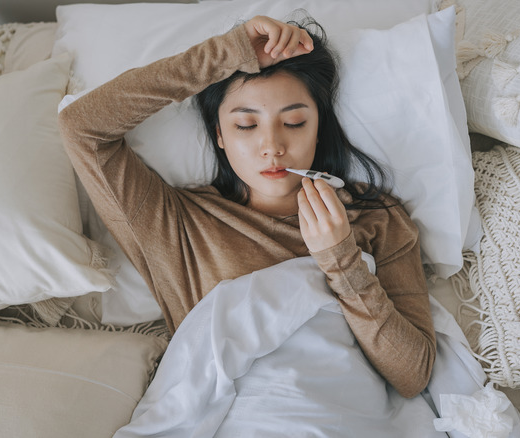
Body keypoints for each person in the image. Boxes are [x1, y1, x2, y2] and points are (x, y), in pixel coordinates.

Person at [58, 15, 435, 398]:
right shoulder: (178, 221)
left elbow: (412, 376)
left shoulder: (376, 216)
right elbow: (81, 128)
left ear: (318, 127)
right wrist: (226, 54)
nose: (272, 146)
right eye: (246, 126)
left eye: (294, 121)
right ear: (219, 134)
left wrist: (342, 260)